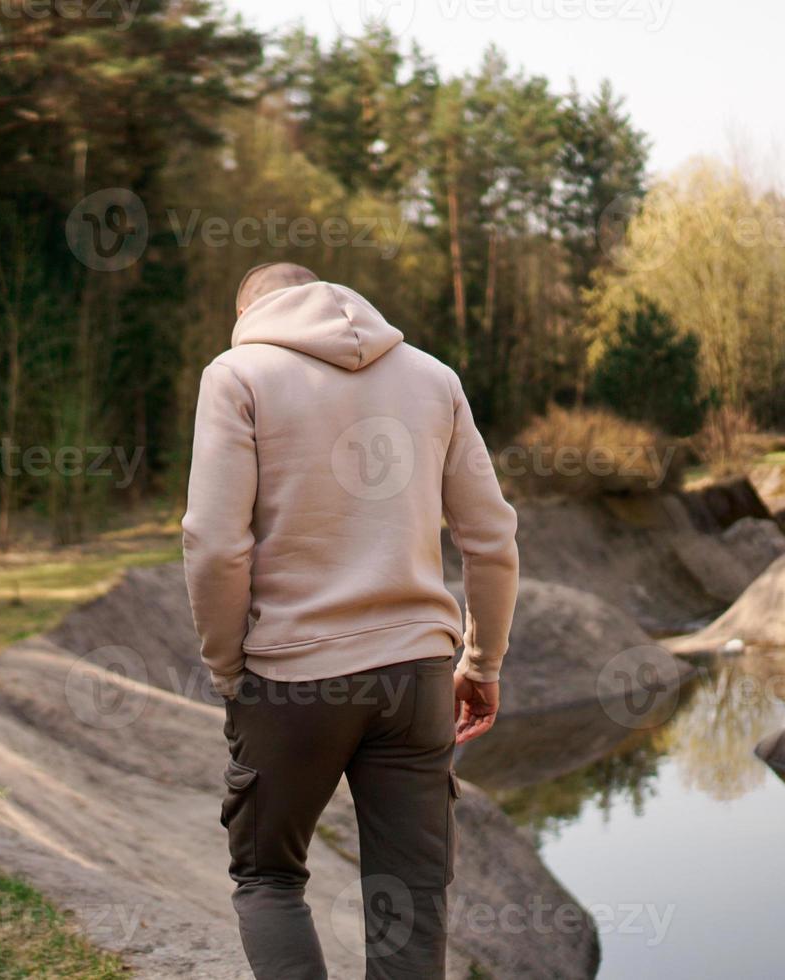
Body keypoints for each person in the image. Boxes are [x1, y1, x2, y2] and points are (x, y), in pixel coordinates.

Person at [181, 262, 519, 978]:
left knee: (269, 878)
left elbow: (214, 545)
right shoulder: (434, 378)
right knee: (411, 901)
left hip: (290, 677)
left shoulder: (238, 374)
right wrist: (482, 663)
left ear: (250, 313)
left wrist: (228, 669)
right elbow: (490, 538)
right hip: (418, 678)